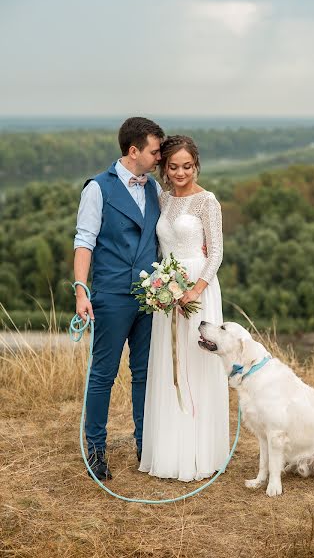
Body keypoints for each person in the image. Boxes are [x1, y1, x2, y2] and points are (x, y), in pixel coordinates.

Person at [74, 116, 165, 480]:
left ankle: (145, 445)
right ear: (133, 151)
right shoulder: (97, 188)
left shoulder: (154, 188)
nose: (158, 157)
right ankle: (95, 450)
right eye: (154, 151)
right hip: (111, 295)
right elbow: (84, 241)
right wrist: (81, 289)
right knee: (103, 375)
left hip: (150, 298)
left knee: (144, 373)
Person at [139, 135, 229, 482]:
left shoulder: (208, 201)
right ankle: (169, 450)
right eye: (173, 166)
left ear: (196, 165)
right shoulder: (162, 200)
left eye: (187, 166)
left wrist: (195, 290)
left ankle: (200, 451)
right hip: (167, 287)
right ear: (164, 167)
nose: (180, 173)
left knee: (196, 362)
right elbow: (162, 246)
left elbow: (216, 252)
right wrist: (162, 287)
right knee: (169, 363)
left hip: (198, 287)